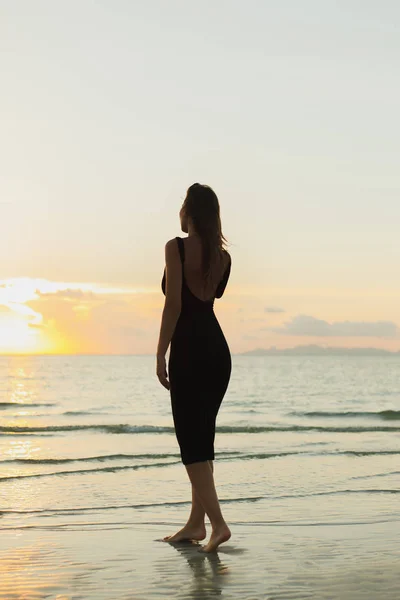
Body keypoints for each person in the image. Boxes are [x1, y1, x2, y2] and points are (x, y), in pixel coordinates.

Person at [157, 182, 232, 553]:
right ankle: (195, 524)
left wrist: (159, 353)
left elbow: (174, 305)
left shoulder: (176, 247)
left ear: (188, 211)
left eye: (182, 204)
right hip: (218, 354)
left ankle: (218, 525)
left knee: (192, 444)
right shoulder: (223, 259)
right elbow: (208, 300)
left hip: (188, 351)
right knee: (203, 441)